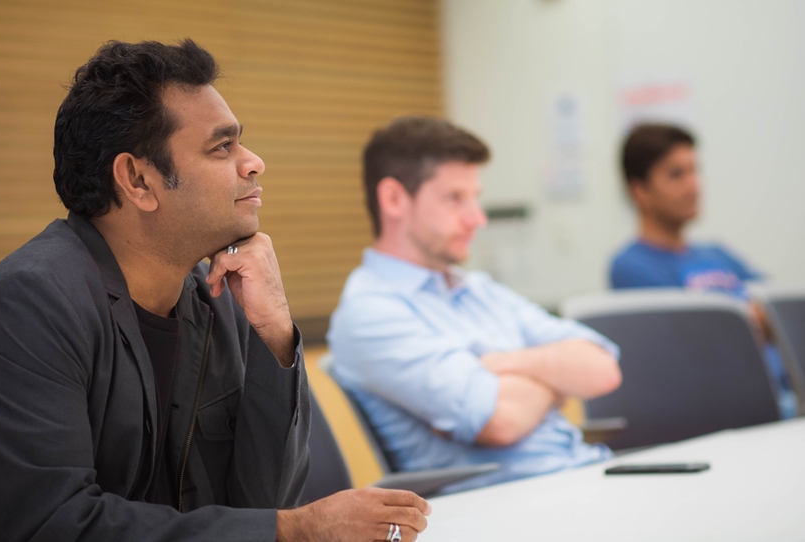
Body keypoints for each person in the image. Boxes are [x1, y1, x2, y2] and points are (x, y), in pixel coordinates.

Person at [0, 40, 431, 542]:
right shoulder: (28, 303)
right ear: (137, 180)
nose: (253, 162)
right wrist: (292, 531)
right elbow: (57, 526)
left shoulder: (215, 296)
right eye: (222, 146)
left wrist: (275, 335)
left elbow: (262, 501)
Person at [327, 117, 622, 493]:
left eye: (475, 197)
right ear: (394, 199)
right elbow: (501, 421)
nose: (477, 219)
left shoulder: (478, 289)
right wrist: (557, 378)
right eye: (455, 199)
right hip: (511, 504)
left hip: (584, 474)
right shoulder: (369, 312)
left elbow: (602, 368)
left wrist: (501, 367)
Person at [609, 123, 797, 419]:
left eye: (694, 171)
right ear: (639, 191)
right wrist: (752, 322)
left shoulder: (718, 253)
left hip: (788, 393)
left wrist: (753, 323)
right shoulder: (631, 265)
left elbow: (783, 312)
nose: (693, 185)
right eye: (676, 175)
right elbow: (699, 344)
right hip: (734, 409)